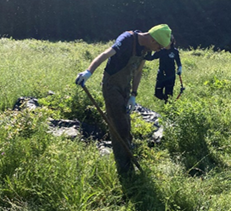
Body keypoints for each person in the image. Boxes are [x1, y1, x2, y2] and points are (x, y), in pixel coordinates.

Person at [75, 24, 172, 176]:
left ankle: (127, 161)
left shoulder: (145, 49)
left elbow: (138, 72)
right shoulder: (127, 39)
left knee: (126, 125)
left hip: (125, 88)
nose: (157, 51)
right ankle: (125, 172)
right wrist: (89, 72)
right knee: (118, 127)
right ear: (153, 40)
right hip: (112, 86)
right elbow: (105, 54)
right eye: (159, 47)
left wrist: (133, 94)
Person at [145, 38, 182, 103]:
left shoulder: (175, 51)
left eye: (168, 40)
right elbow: (150, 58)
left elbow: (178, 62)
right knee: (157, 93)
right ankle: (165, 100)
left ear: (171, 42)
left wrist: (179, 68)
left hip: (171, 75)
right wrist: (148, 49)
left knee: (169, 94)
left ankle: (167, 105)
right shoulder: (160, 51)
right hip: (161, 74)